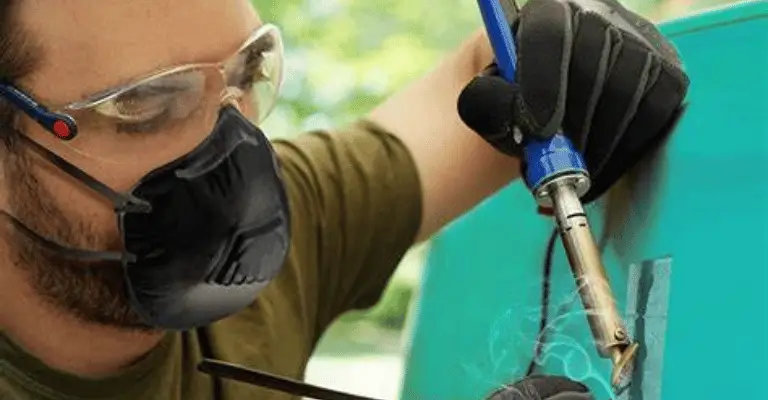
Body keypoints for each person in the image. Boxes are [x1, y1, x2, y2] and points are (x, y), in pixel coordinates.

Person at [0, 0, 688, 399]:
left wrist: (566, 47)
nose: (230, 144)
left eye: (246, 73)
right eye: (149, 103)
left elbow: (483, 86)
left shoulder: (274, 220)